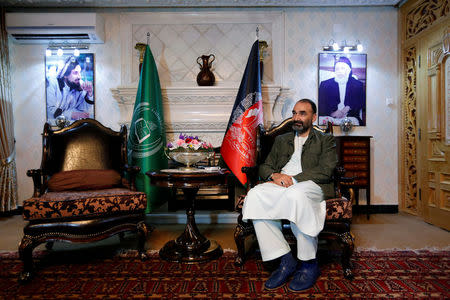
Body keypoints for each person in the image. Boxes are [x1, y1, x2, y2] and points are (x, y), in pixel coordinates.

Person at [242, 98, 337, 292]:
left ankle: (308, 263)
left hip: (312, 185)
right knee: (255, 195)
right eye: (294, 113)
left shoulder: (325, 140)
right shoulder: (281, 140)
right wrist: (275, 175)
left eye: (302, 113)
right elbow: (265, 166)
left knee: (296, 195)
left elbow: (326, 170)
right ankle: (285, 260)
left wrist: (293, 179)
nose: (296, 117)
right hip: (282, 183)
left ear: (314, 117)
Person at [46, 56, 94, 124]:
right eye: (75, 73)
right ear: (65, 74)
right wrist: (71, 114)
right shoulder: (53, 83)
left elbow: (84, 110)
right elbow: (49, 111)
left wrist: (89, 93)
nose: (79, 77)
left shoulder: (79, 84)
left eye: (80, 72)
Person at [318, 56, 365, 125]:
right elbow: (320, 105)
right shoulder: (325, 84)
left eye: (342, 68)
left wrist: (348, 108)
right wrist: (332, 113)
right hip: (330, 117)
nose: (339, 71)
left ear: (348, 70)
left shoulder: (357, 85)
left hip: (350, 118)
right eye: (337, 69)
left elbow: (362, 103)